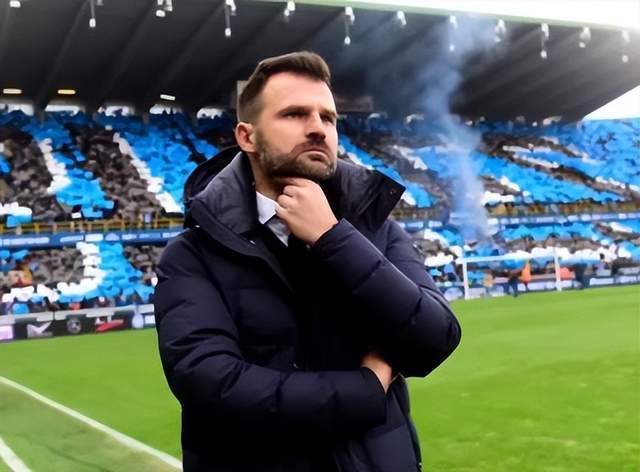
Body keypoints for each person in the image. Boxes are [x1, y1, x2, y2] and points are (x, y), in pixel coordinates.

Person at [154, 51, 461, 472]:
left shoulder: (376, 229)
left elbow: (435, 339)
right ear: (247, 137)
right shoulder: (193, 254)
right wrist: (365, 390)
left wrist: (333, 238)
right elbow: (211, 383)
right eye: (295, 114)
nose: (318, 127)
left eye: (328, 118)